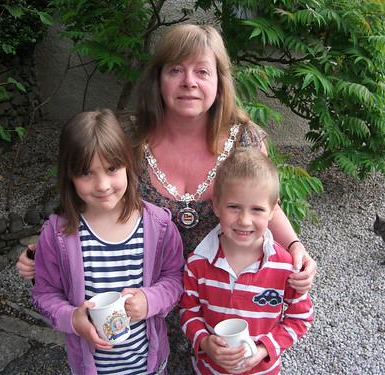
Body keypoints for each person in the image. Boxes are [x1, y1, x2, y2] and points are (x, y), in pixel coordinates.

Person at [17, 23, 317, 372]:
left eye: (202, 71)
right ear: (158, 79)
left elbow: (267, 202)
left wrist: (295, 245)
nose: (189, 81)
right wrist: (44, 251)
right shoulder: (128, 136)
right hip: (142, 310)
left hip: (216, 300)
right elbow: (91, 197)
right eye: (176, 70)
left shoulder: (245, 140)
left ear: (219, 81)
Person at [31, 109, 184, 375]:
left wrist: (150, 300)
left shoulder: (158, 225)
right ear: (69, 175)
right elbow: (44, 294)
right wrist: (73, 319)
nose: (102, 185)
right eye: (86, 173)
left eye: (112, 168)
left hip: (150, 365)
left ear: (129, 163)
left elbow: (176, 278)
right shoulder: (57, 234)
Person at [179, 148, 314, 374]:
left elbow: (300, 318)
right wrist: (204, 342)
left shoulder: (285, 266)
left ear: (273, 210)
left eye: (257, 210)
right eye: (234, 207)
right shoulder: (197, 263)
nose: (244, 220)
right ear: (216, 205)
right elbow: (188, 312)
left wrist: (263, 349)